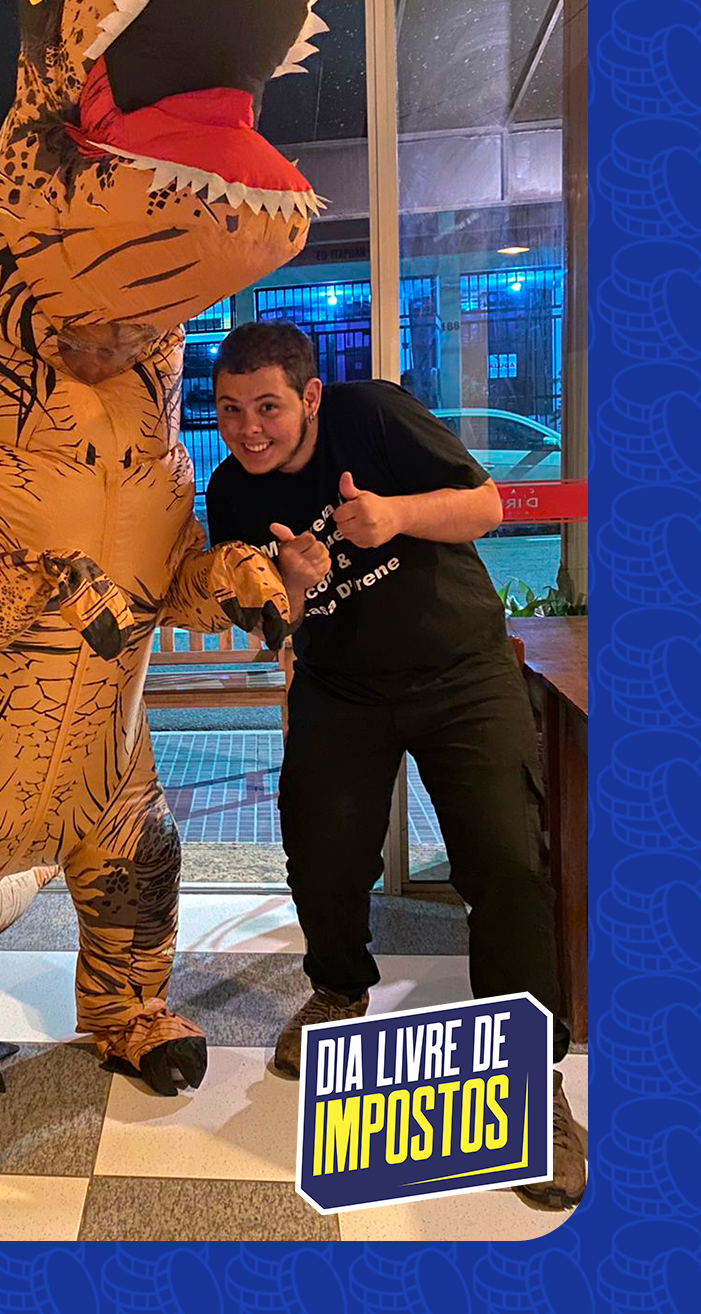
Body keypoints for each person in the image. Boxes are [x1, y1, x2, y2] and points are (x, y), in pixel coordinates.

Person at [204, 320, 585, 1211]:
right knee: (320, 851)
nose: (249, 429)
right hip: (341, 688)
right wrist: (297, 584)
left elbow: (486, 506)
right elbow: (268, 627)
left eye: (267, 407)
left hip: (460, 671)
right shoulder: (229, 492)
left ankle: (530, 1078)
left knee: (505, 858)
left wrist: (395, 516)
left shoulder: (372, 416)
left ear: (310, 397)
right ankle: (338, 992)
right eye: (229, 410)